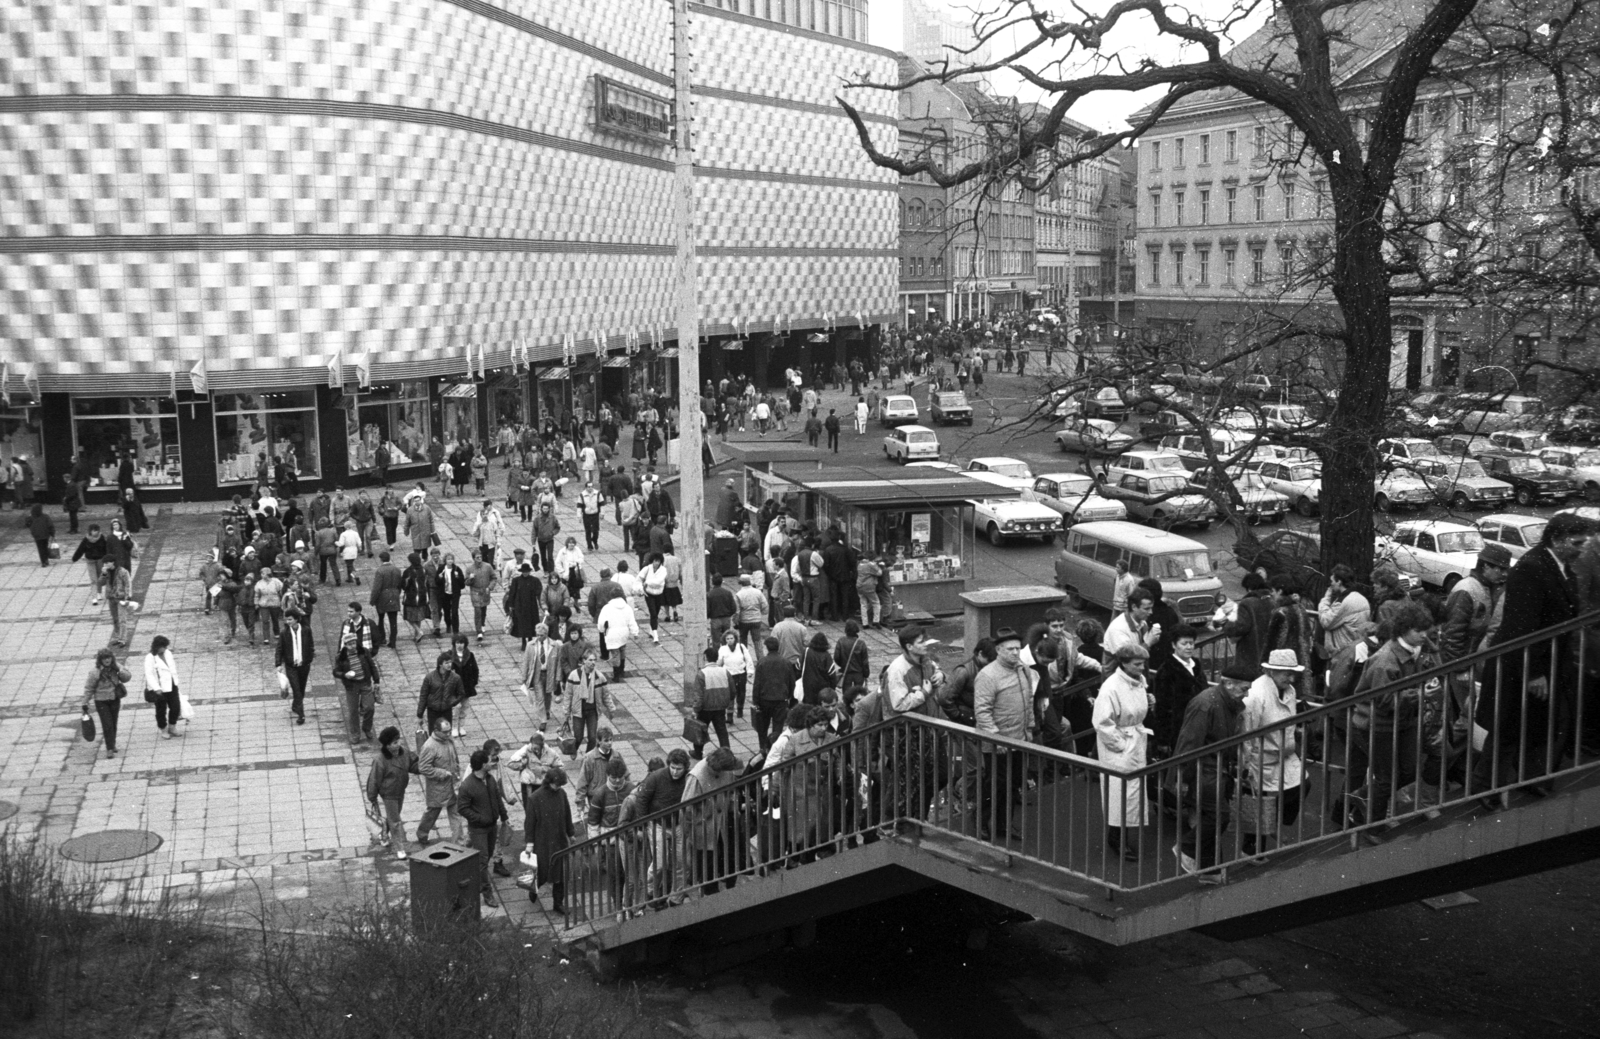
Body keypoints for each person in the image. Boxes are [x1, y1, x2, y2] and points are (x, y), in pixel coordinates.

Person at [1476, 513, 1589, 799]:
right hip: (1520, 666)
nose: (1581, 548)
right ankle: (1485, 791)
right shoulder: (1532, 568)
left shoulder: (1559, 565)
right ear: (1557, 540)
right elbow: (1520, 627)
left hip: (1548, 663)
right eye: (1576, 542)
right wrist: (1533, 673)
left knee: (1542, 724)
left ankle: (1532, 779)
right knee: (1508, 730)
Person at [1238, 649, 1305, 856]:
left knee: (1302, 784)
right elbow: (1247, 732)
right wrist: (1245, 765)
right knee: (1257, 803)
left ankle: (1273, 825)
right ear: (1271, 671)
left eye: (1292, 672)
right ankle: (1250, 851)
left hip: (1283, 752)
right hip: (1261, 756)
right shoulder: (1256, 695)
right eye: (1286, 672)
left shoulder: (1288, 689)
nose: (1291, 677)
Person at [973, 628, 1037, 841]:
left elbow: (1028, 700)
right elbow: (982, 710)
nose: (1015, 653)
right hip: (998, 743)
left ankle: (1003, 826)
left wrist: (1029, 729)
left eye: (1018, 648)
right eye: (1010, 649)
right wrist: (995, 737)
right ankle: (981, 824)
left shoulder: (1022, 670)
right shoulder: (987, 675)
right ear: (998, 650)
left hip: (1019, 739)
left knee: (1012, 785)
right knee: (994, 786)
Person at [1094, 643, 1153, 860]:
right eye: (1137, 664)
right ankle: (1116, 838)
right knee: (1118, 792)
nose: (1142, 667)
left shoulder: (1137, 681)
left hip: (1134, 740)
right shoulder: (1111, 687)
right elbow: (1101, 722)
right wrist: (1121, 744)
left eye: (1143, 663)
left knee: (1133, 792)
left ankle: (1121, 835)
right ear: (1124, 663)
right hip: (1121, 744)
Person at [673, 746, 743, 902]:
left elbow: (731, 790)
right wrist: (689, 834)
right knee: (707, 864)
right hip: (703, 828)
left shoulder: (726, 769)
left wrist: (733, 807)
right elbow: (687, 809)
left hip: (722, 823)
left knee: (729, 856)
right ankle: (711, 895)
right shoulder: (697, 777)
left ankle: (728, 886)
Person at [458, 748, 510, 907]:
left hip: (492, 826)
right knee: (482, 861)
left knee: (485, 859)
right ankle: (487, 893)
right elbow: (462, 808)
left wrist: (504, 816)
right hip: (478, 829)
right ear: (481, 765)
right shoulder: (467, 786)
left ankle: (471, 878)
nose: (493, 763)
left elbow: (497, 799)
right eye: (489, 761)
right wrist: (479, 819)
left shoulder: (491, 779)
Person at [525, 766, 574, 911]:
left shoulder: (562, 794)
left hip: (559, 841)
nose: (558, 787)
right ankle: (532, 888)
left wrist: (570, 833)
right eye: (556, 784)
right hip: (543, 841)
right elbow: (529, 823)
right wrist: (529, 843)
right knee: (542, 871)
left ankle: (558, 903)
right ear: (549, 781)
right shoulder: (535, 798)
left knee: (561, 874)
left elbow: (567, 815)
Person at [366, 727, 418, 859]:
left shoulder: (404, 753)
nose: (398, 744)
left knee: (393, 816)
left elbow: (412, 765)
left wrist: (424, 768)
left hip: (400, 790)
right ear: (387, 745)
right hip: (389, 794)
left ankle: (384, 836)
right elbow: (374, 779)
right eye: (394, 743)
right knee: (395, 821)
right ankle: (399, 848)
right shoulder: (380, 760)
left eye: (398, 740)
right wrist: (372, 796)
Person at [415, 716, 465, 845]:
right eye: (445, 732)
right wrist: (442, 773)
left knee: (456, 813)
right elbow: (423, 768)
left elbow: (455, 758)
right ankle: (422, 833)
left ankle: (459, 842)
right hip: (438, 787)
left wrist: (457, 774)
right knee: (432, 811)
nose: (449, 734)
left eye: (449, 731)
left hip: (453, 785)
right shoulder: (429, 746)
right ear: (436, 730)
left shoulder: (449, 740)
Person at [334, 612, 382, 744]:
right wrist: (345, 674)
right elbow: (335, 671)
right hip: (351, 686)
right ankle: (355, 734)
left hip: (365, 683)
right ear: (345, 645)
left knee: (369, 707)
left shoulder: (364, 652)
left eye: (353, 643)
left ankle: (366, 727)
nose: (352, 646)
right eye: (349, 644)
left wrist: (376, 681)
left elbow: (372, 667)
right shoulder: (341, 657)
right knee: (353, 711)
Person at [83, 647, 131, 758]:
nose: (107, 660)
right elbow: (89, 688)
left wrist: (120, 670)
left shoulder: (116, 667)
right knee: (107, 724)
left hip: (114, 699)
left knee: (113, 723)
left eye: (108, 657)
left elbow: (127, 677)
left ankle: (112, 743)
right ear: (100, 660)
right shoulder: (95, 672)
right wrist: (85, 702)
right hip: (101, 701)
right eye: (104, 658)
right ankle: (109, 748)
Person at [751, 635, 796, 754]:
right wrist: (790, 697)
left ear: (766, 648)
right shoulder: (786, 662)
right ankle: (775, 748)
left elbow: (757, 684)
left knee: (763, 727)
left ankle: (762, 748)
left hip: (764, 700)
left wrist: (755, 700)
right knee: (778, 726)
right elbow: (792, 682)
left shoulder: (762, 662)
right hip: (781, 700)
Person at [563, 649, 615, 753]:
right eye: (590, 660)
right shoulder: (574, 675)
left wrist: (611, 708)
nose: (593, 662)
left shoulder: (599, 677)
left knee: (592, 737)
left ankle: (588, 757)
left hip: (592, 711)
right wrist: (566, 711)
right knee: (578, 737)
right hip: (578, 711)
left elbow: (605, 694)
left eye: (594, 660)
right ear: (584, 661)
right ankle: (574, 750)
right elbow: (568, 694)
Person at [687, 646, 733, 758]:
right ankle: (726, 754)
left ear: (706, 658)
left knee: (700, 730)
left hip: (705, 709)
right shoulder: (725, 672)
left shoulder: (702, 674)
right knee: (722, 732)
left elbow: (699, 695)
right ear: (717, 658)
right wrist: (727, 701)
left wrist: (695, 710)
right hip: (720, 708)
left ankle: (698, 753)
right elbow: (732, 690)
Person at [1224, 572, 1273, 667]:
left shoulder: (1247, 603)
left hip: (1251, 653)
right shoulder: (1273, 601)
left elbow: (1239, 627)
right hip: (1270, 654)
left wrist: (1226, 624)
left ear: (1249, 588)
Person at [275, 610, 314, 725]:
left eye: (290, 619)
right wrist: (278, 664)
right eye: (286, 619)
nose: (288, 622)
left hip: (304, 665)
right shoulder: (284, 632)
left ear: (297, 619)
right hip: (291, 666)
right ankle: (301, 715)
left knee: (301, 689)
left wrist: (309, 658)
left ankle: (295, 705)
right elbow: (279, 649)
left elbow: (311, 645)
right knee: (296, 689)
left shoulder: (306, 630)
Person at [143, 634, 184, 739]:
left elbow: (172, 668)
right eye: (163, 646)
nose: (165, 648)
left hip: (171, 685)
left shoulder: (168, 653)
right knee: (161, 710)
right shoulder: (150, 658)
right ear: (157, 646)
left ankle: (172, 726)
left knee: (175, 707)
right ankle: (163, 729)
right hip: (160, 688)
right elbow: (149, 674)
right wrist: (156, 688)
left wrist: (176, 681)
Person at [415, 651, 465, 734]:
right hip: (433, 711)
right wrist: (419, 714)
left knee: (446, 734)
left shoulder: (455, 678)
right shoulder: (430, 677)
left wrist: (453, 702)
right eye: (446, 663)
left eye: (450, 662)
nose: (449, 665)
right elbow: (423, 696)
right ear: (440, 664)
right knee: (434, 734)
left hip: (446, 711)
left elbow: (461, 693)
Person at [1103, 587, 1161, 656]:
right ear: (1134, 607)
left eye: (1151, 608)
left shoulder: (1142, 623)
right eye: (1146, 609)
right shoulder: (1118, 629)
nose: (1151, 612)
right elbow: (1128, 659)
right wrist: (1148, 643)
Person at [597, 590, 639, 681]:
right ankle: (622, 671)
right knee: (622, 651)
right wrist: (635, 632)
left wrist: (601, 630)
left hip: (612, 633)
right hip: (624, 633)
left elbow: (601, 622)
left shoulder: (607, 608)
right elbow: (632, 621)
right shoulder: (627, 607)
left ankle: (616, 675)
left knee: (615, 654)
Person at [717, 628, 755, 720]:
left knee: (741, 693)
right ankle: (729, 715)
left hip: (740, 673)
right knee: (730, 694)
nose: (730, 641)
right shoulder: (722, 649)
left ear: (735, 639)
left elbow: (748, 659)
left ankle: (740, 709)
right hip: (729, 674)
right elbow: (720, 662)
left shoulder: (741, 647)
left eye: (731, 638)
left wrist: (750, 671)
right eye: (727, 639)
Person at [504, 562, 544, 650]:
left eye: (527, 571)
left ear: (529, 572)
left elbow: (539, 590)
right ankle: (523, 641)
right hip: (519, 605)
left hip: (531, 605)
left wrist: (535, 594)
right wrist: (511, 605)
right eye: (524, 572)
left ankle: (530, 640)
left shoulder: (534, 580)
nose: (525, 573)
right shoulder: (516, 580)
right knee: (521, 624)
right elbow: (512, 593)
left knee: (530, 623)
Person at [449, 633, 481, 738]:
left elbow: (475, 670)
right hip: (454, 688)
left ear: (465, 644)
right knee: (456, 708)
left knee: (464, 707)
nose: (459, 645)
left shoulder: (470, 655)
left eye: (461, 643)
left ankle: (461, 727)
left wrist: (473, 683)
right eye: (457, 643)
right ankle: (453, 727)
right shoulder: (449, 655)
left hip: (466, 687)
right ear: (454, 644)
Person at [368, 551, 403, 650]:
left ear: (381, 559)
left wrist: (372, 600)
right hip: (394, 594)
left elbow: (376, 588)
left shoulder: (380, 571)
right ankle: (393, 641)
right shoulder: (397, 569)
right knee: (393, 620)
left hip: (383, 596)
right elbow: (400, 584)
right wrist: (397, 592)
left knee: (381, 618)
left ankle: (382, 638)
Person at [72, 523, 110, 605]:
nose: (96, 533)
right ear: (90, 531)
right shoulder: (86, 539)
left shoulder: (102, 538)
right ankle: (94, 598)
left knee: (101, 576)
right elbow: (80, 549)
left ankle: (99, 593)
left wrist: (108, 558)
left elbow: (106, 548)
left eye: (97, 531)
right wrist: (75, 558)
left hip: (100, 560)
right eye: (94, 531)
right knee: (93, 579)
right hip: (90, 561)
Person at [798, 631, 840, 705]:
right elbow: (832, 674)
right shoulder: (826, 656)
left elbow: (798, 666)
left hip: (808, 685)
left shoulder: (807, 651)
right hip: (822, 687)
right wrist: (832, 689)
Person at [465, 549, 498, 641]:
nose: (479, 559)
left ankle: (482, 623)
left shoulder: (487, 566)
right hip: (475, 592)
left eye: (480, 557)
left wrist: (490, 587)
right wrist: (470, 579)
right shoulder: (469, 569)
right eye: (477, 557)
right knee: (478, 611)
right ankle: (479, 631)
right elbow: (466, 583)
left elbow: (494, 578)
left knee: (483, 609)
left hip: (485, 591)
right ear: (473, 558)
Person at [400, 552, 430, 643]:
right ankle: (417, 636)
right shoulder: (424, 570)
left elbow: (404, 585)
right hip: (423, 596)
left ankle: (419, 631)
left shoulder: (408, 572)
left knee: (409, 617)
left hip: (411, 597)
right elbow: (427, 583)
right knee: (418, 617)